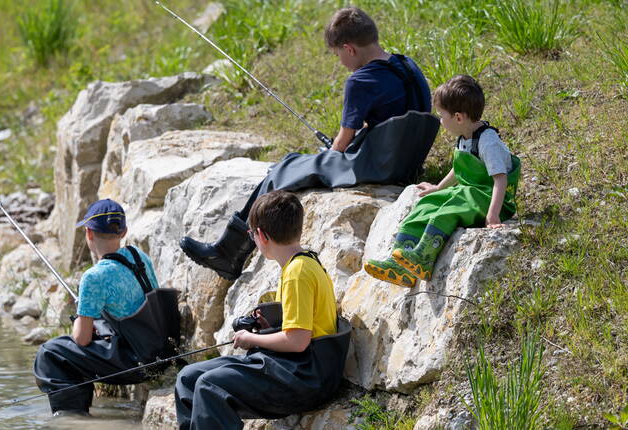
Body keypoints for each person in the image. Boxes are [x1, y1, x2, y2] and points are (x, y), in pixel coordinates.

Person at [180, 6, 436, 281]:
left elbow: (341, 143)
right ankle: (231, 247)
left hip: (381, 165)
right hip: (407, 160)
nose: (340, 61)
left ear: (349, 48)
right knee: (294, 163)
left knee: (284, 168)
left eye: (337, 54)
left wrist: (330, 152)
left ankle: (230, 252)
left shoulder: (360, 80)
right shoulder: (406, 65)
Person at [175, 191, 351, 430]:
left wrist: (252, 338)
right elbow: (297, 329)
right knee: (188, 378)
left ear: (260, 236)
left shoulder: (297, 274)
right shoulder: (301, 263)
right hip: (295, 367)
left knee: (210, 386)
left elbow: (298, 341)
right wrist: (269, 330)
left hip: (306, 377)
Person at [364, 75, 521, 287]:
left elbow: (500, 179)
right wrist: (438, 188)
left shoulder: (488, 142)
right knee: (426, 204)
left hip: (490, 198)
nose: (440, 120)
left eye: (441, 115)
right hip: (470, 193)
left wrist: (493, 215)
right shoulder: (465, 136)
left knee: (447, 210)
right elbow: (459, 168)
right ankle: (399, 263)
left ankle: (424, 258)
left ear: (458, 117)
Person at [34, 199, 178, 416]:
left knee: (50, 353)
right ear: (124, 232)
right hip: (161, 351)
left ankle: (73, 417)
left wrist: (78, 323)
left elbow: (81, 339)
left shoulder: (93, 277)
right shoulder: (139, 256)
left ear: (89, 234)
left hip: (138, 364)